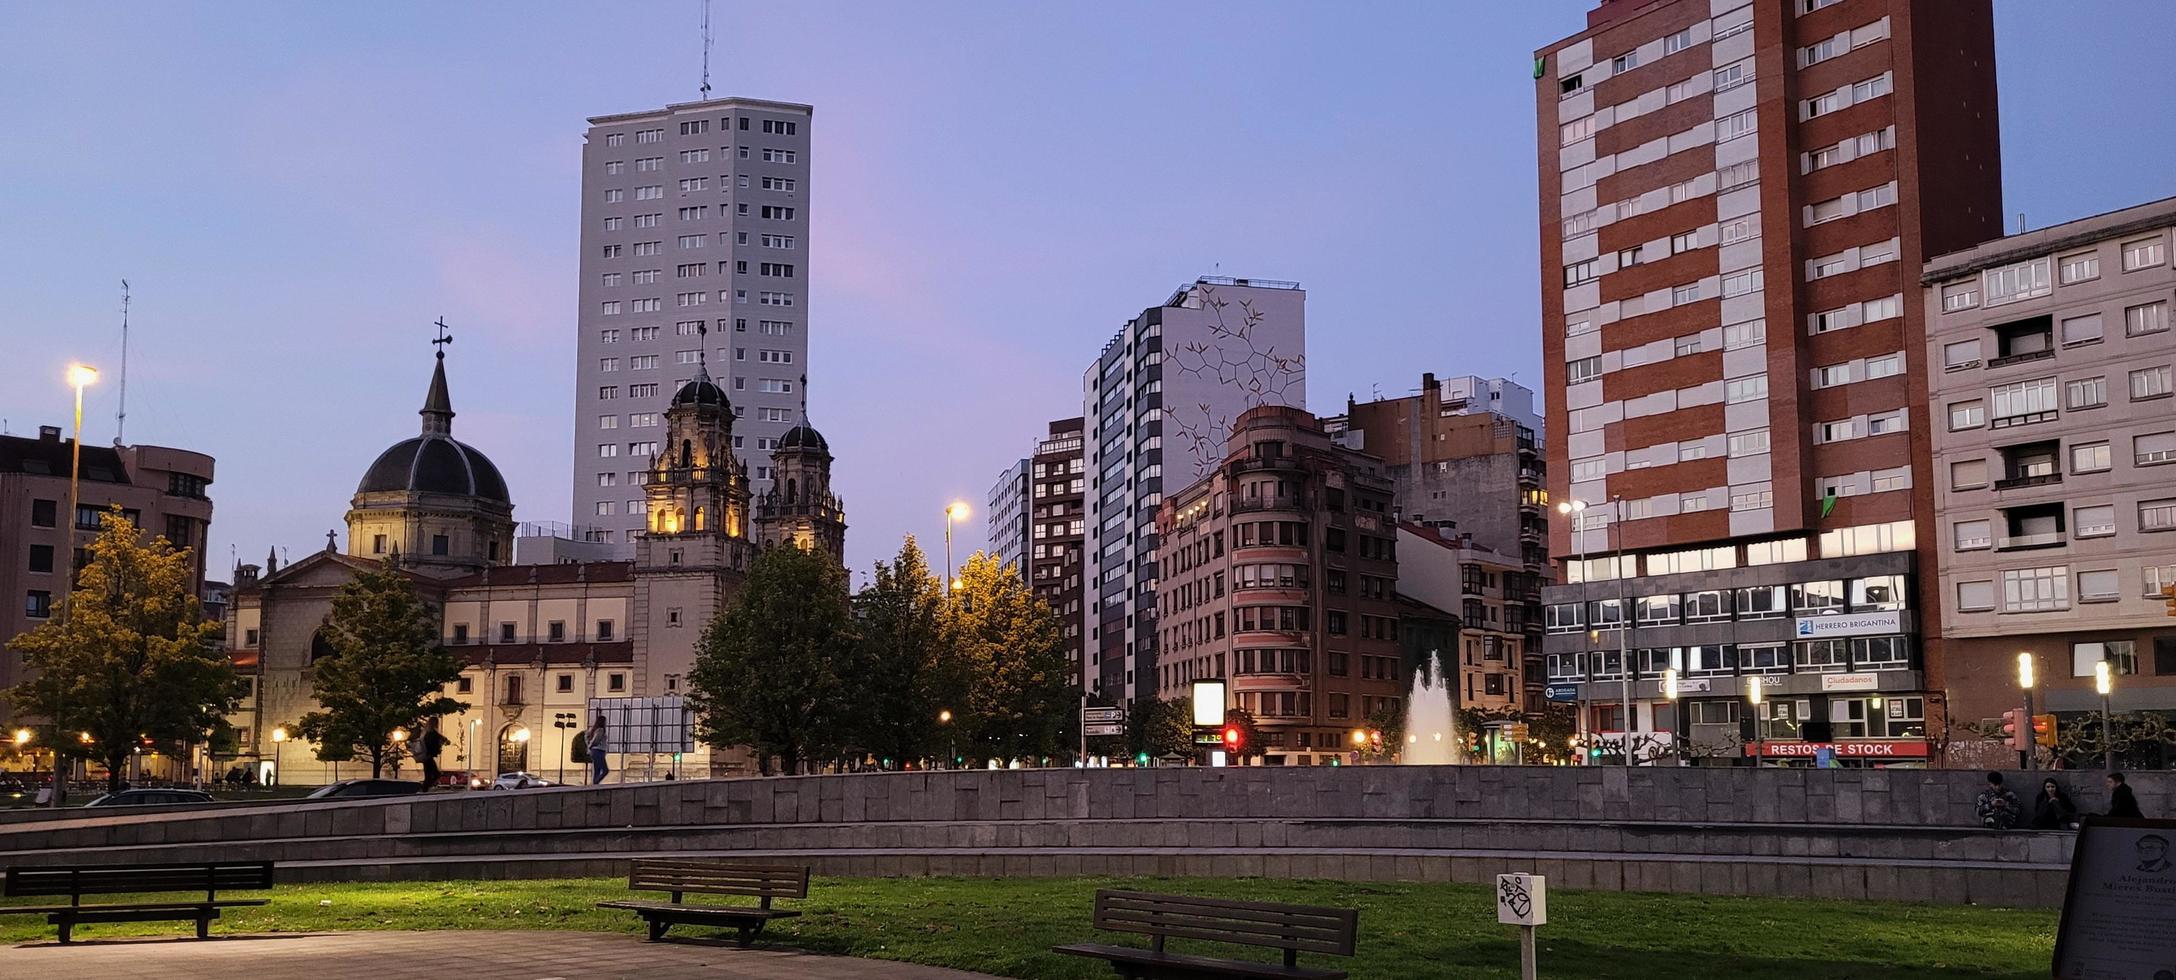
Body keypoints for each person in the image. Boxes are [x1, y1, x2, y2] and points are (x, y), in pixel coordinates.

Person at [415, 720, 448, 788]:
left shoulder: (426, 733)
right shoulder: (431, 733)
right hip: (428, 756)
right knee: (435, 774)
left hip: (426, 756)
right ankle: (424, 788)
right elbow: (432, 744)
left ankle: (425, 788)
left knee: (428, 774)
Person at [589, 712, 611, 785]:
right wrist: (591, 745)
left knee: (597, 770)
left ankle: (595, 785)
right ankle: (596, 783)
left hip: (595, 751)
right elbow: (596, 739)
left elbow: (587, 736)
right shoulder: (601, 730)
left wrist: (590, 746)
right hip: (598, 751)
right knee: (605, 770)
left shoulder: (595, 729)